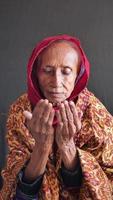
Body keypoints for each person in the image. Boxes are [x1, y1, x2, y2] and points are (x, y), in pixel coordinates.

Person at [0, 34, 113, 200]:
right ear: (35, 73)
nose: (56, 81)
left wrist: (67, 146)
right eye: (47, 71)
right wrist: (42, 146)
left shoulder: (95, 114)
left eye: (66, 72)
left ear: (78, 75)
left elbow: (105, 185)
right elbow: (20, 193)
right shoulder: (21, 111)